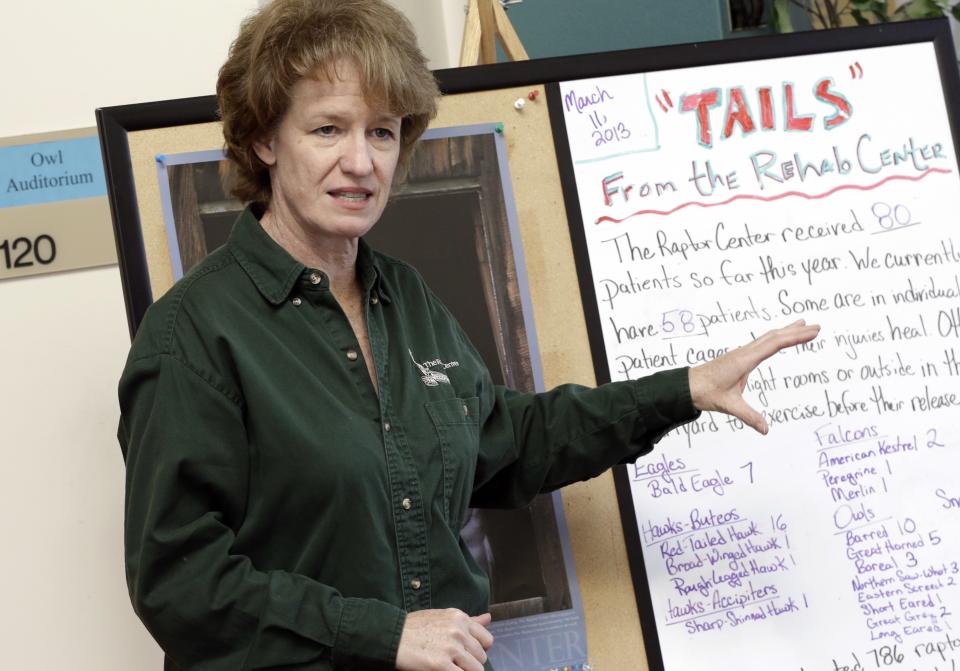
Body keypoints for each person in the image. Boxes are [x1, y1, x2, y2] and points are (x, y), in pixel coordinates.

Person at [116, 1, 821, 670]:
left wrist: (683, 391)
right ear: (266, 138)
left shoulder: (407, 298)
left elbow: (507, 443)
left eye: (383, 132)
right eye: (328, 129)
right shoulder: (193, 335)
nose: (361, 162)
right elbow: (180, 585)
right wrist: (383, 631)